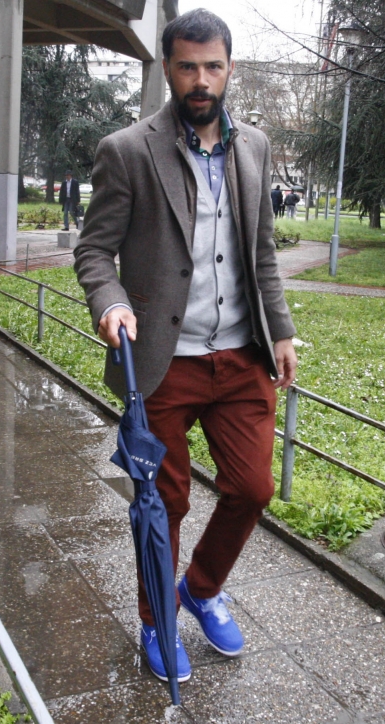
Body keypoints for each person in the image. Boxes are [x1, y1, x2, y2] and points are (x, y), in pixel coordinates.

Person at [74, 9, 297, 684]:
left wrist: (280, 329)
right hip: (161, 362)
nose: (201, 80)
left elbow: (261, 252)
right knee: (161, 503)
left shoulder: (254, 147)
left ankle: (199, 589)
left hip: (241, 356)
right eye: (188, 66)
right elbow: (94, 251)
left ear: (230, 68)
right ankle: (157, 620)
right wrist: (111, 302)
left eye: (213, 66)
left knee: (253, 488)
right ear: (168, 69)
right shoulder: (127, 150)